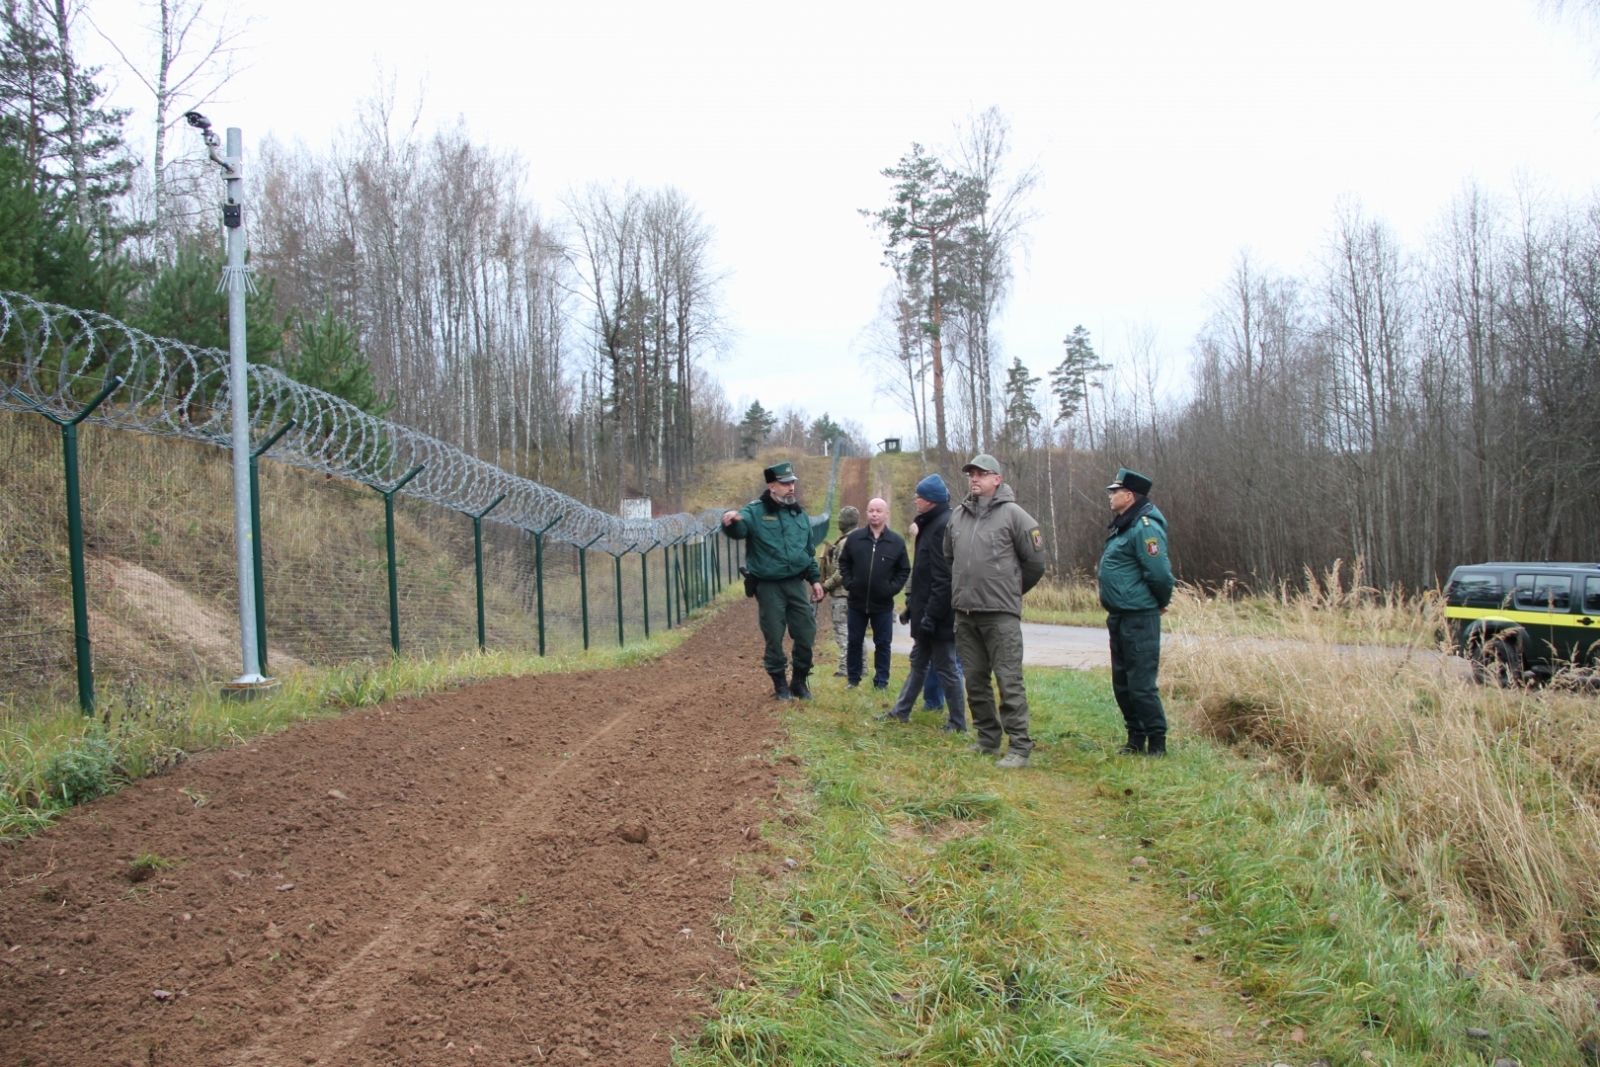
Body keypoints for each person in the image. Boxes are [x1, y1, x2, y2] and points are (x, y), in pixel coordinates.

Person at [945, 454, 1047, 768]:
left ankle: (1019, 748)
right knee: (975, 680)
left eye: (981, 474)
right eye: (970, 474)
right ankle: (987, 739)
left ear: (997, 479)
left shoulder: (1016, 516)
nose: (974, 479)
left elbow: (1035, 563)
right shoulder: (958, 517)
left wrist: (1008, 590)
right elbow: (950, 558)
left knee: (1008, 680)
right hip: (965, 613)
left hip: (1000, 614)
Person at [722, 461, 825, 700]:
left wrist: (815, 580)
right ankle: (780, 684)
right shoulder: (755, 512)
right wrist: (730, 522)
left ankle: (799, 683)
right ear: (772, 486)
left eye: (792, 483)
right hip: (769, 587)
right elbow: (740, 529)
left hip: (796, 584)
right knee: (774, 635)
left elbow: (807, 552)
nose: (791, 487)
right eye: (785, 483)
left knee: (806, 632)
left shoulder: (799, 514)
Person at [1098, 468, 1175, 755]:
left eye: (1114, 492)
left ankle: (1157, 741)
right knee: (1123, 683)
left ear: (1129, 496)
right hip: (1119, 615)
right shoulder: (1125, 526)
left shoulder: (1144, 527)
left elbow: (1159, 573)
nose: (1110, 496)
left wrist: (1159, 601)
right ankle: (1135, 737)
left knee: (1141, 684)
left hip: (1140, 616)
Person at [882, 475, 965, 730]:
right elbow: (924, 575)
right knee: (919, 662)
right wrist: (912, 608)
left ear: (929, 500)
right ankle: (901, 711)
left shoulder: (941, 526)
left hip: (939, 616)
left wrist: (931, 615)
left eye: (918, 497)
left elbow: (943, 578)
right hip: (928, 611)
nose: (915, 501)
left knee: (947, 667)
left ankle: (958, 722)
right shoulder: (931, 524)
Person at [838, 497, 910, 690]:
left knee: (883, 644)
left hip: (883, 604)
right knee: (854, 641)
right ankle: (853, 679)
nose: (875, 514)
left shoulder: (896, 541)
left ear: (886, 514)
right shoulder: (855, 539)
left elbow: (904, 570)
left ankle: (881, 681)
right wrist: (850, 583)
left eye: (879, 511)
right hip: (857, 602)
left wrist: (891, 589)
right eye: (871, 510)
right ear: (867, 513)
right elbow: (844, 563)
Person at [818, 505, 860, 677]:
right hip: (856, 594)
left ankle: (845, 668)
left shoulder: (844, 543)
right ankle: (861, 666)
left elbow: (841, 571)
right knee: (857, 632)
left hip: (842, 594)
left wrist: (826, 585)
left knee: (842, 631)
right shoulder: (860, 539)